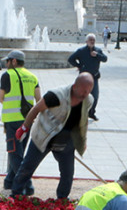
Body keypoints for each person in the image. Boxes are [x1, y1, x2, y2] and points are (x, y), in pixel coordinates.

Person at [9, 72, 94, 200]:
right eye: (83, 91)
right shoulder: (56, 95)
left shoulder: (88, 100)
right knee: (27, 166)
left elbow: (83, 121)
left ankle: (62, 198)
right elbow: (36, 109)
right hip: (44, 136)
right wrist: (24, 127)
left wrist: (83, 140)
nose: (85, 95)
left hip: (66, 141)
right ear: (75, 86)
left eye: (88, 91)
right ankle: (16, 194)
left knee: (68, 173)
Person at [0, 49, 41, 195]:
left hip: (12, 121)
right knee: (19, 150)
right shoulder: (32, 76)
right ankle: (9, 181)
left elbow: (1, 97)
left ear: (14, 61)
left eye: (8, 61)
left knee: (15, 153)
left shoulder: (7, 75)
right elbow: (38, 100)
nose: (6, 63)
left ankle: (27, 185)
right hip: (27, 120)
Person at [67, 33, 107, 121]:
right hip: (83, 78)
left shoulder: (98, 50)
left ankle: (91, 112)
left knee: (95, 96)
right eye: (90, 40)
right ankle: (79, 113)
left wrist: (97, 55)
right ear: (86, 41)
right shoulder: (81, 51)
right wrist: (79, 66)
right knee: (81, 95)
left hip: (94, 77)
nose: (92, 42)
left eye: (93, 40)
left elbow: (105, 59)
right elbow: (71, 59)